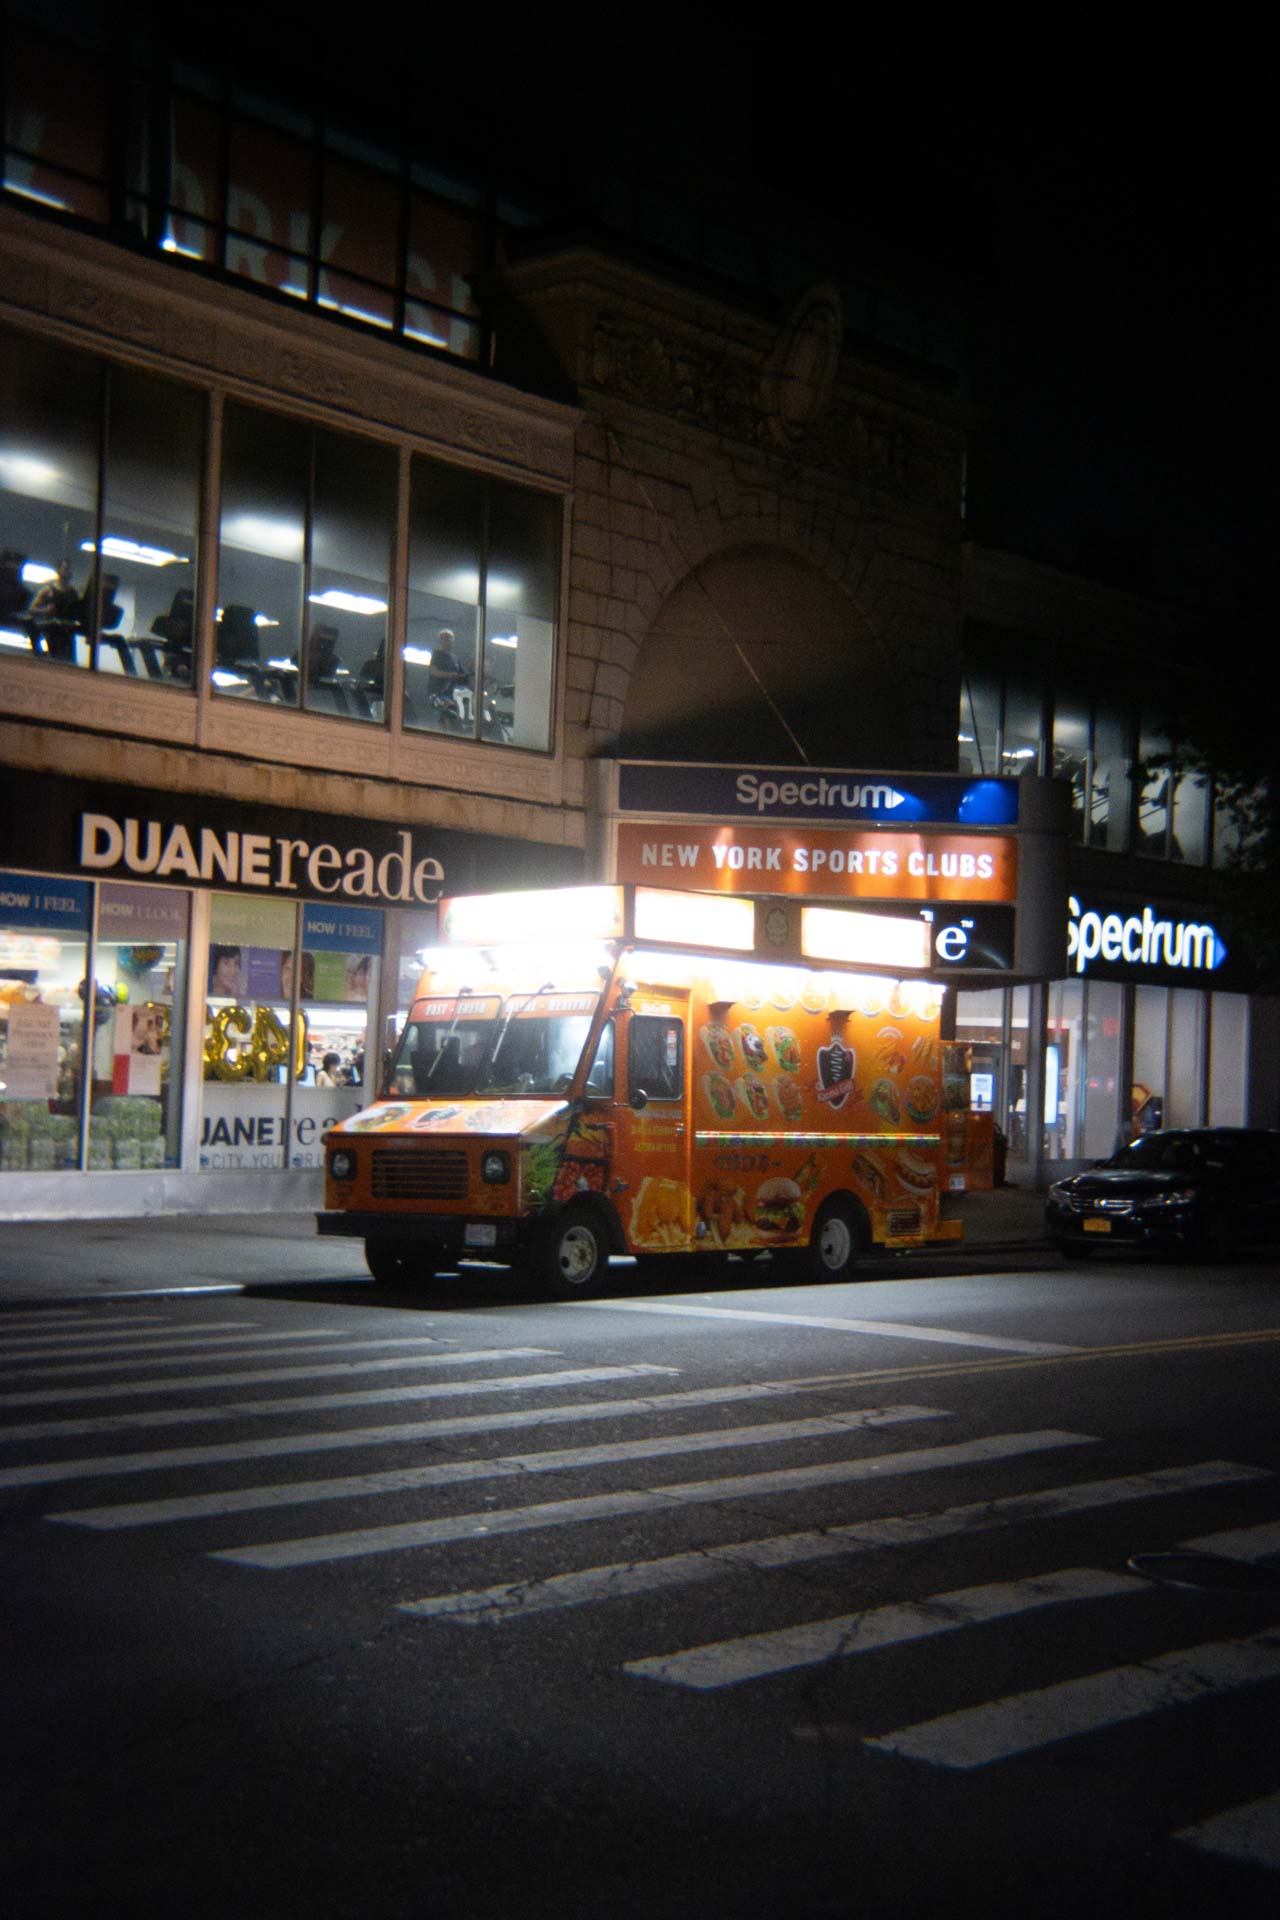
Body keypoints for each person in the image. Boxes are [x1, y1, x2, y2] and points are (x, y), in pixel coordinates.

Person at [28, 561, 79, 661]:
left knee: (69, 660)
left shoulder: (74, 593)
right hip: (51, 629)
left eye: (69, 569)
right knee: (54, 657)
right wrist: (44, 610)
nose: (68, 572)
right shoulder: (48, 591)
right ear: (58, 571)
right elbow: (32, 609)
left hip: (67, 631)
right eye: (65, 568)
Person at [426, 628, 468, 722]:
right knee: (446, 712)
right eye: (445, 638)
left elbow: (463, 676)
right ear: (440, 641)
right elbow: (433, 671)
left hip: (452, 695)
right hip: (437, 694)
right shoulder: (437, 655)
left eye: (450, 638)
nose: (448, 641)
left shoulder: (455, 659)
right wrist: (449, 675)